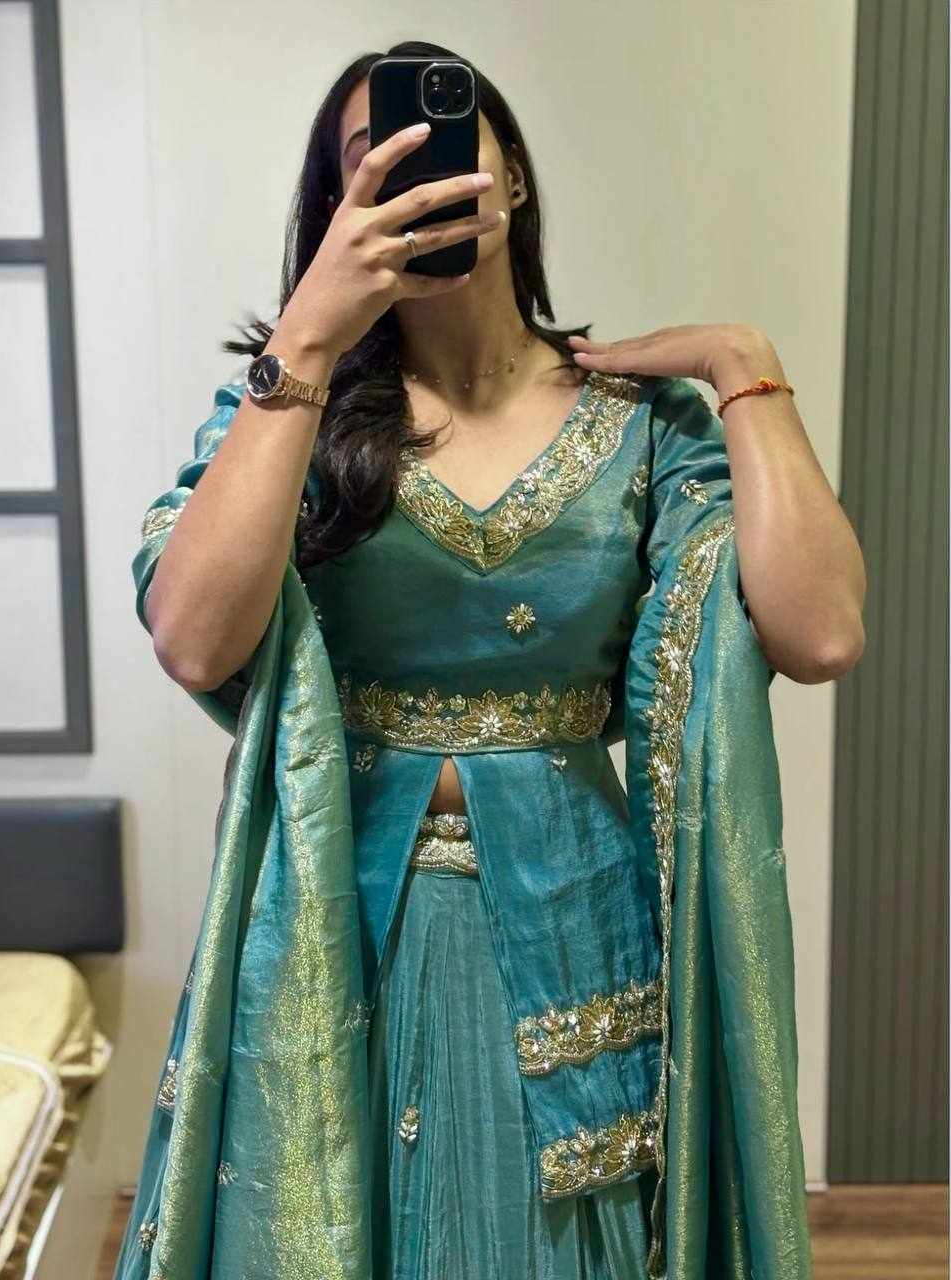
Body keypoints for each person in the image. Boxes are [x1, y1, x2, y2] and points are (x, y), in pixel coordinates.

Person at [114, 39, 865, 1280]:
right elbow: (194, 634)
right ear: (342, 207)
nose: (425, 174)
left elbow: (822, 627)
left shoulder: (643, 425)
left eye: (451, 142)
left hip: (574, 925)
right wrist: (306, 342)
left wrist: (744, 365)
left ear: (510, 174)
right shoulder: (292, 415)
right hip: (338, 928)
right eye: (379, 161)